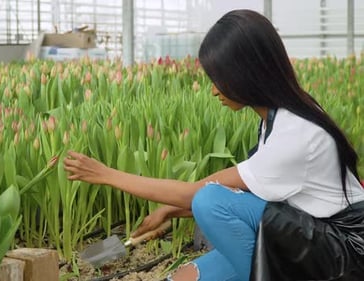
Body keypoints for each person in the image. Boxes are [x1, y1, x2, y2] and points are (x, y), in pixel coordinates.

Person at [63, 9, 364, 281]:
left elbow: (203, 196)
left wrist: (105, 174)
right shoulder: (279, 116)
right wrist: (168, 211)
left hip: (343, 253)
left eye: (219, 78)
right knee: (181, 279)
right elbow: (243, 193)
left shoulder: (295, 133)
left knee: (210, 202)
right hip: (307, 234)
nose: (213, 90)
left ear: (246, 74)